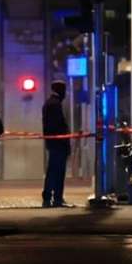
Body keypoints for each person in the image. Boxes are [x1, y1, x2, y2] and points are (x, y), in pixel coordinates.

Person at [42, 80, 73, 208]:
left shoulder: (49, 103)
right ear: (60, 90)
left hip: (53, 143)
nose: (65, 93)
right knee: (58, 172)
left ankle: (49, 197)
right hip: (58, 144)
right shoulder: (55, 105)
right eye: (64, 90)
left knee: (52, 171)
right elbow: (59, 127)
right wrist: (65, 142)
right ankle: (56, 198)